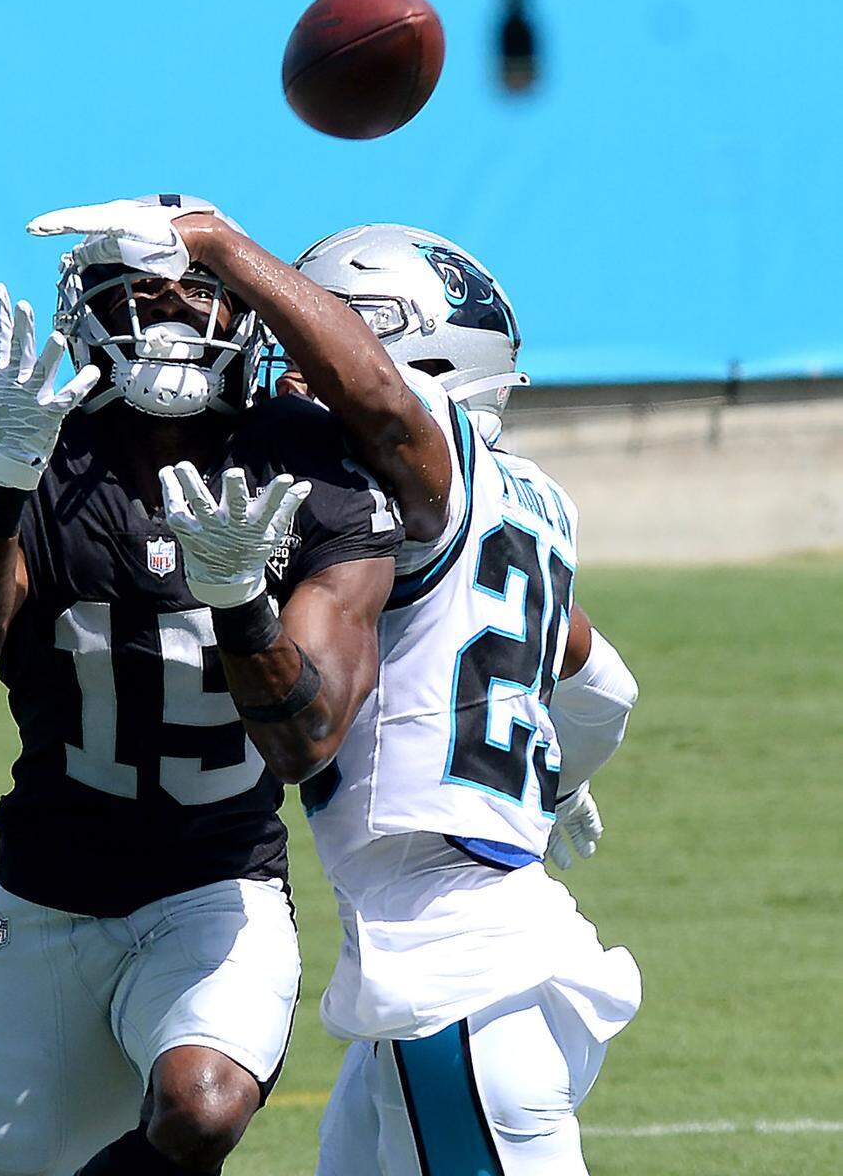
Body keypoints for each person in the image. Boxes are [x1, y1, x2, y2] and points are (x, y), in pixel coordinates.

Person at [0, 194, 414, 1176]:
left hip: (218, 888)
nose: (173, 319)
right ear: (86, 316)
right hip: (50, 892)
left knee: (202, 1107)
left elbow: (304, 740)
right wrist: (4, 485)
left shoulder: (306, 458)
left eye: (198, 297)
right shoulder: (23, 436)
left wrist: (237, 600)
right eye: (140, 296)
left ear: (245, 313)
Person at [264, 223, 641, 1175]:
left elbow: (383, 407)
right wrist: (552, 780)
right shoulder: (526, 499)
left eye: (332, 341)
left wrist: (220, 244)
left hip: (461, 980)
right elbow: (607, 688)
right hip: (464, 967)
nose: (301, 374)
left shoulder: (418, 483)